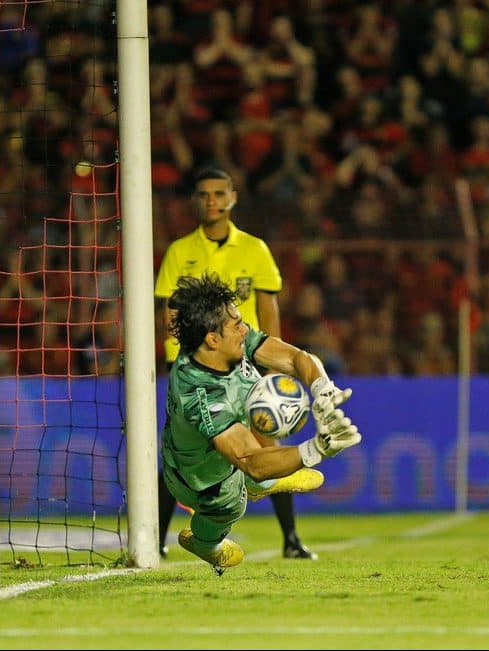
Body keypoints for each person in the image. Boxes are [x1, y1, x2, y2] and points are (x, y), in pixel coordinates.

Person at [154, 167, 321, 560]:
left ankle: (290, 538)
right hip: (198, 364)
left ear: (233, 198)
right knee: (190, 451)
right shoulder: (179, 251)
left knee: (265, 442)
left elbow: (268, 307)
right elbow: (168, 313)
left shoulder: (254, 249)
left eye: (219, 193)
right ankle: (157, 538)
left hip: (246, 355)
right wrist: (175, 355)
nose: (211, 201)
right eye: (203, 194)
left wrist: (273, 369)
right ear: (195, 201)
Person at [161, 274, 361, 572]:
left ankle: (262, 483)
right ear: (213, 339)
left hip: (232, 446)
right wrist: (316, 449)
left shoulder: (228, 343)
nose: (245, 329)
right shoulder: (200, 394)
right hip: (200, 481)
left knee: (256, 467)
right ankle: (204, 542)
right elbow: (250, 460)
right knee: (232, 504)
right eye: (237, 325)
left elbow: (295, 358)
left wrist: (323, 389)